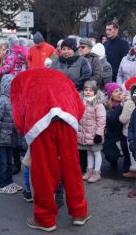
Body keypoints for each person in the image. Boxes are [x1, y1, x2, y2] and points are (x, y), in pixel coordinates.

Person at [11, 68, 90, 232]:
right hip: (67, 121)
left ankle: (45, 219)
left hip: (39, 124)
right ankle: (79, 213)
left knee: (44, 173)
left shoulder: (22, 78)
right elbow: (78, 105)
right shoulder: (60, 77)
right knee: (72, 168)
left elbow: (18, 109)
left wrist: (22, 128)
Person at [0, 74, 22, 194]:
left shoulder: (13, 100)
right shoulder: (2, 101)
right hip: (0, 140)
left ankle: (9, 182)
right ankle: (2, 185)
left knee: (9, 162)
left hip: (10, 139)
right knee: (2, 163)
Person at [78, 81, 106, 183]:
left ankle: (96, 172)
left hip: (94, 134)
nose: (88, 92)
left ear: (95, 92)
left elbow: (101, 120)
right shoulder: (82, 102)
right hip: (85, 134)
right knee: (89, 152)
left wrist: (99, 134)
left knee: (97, 153)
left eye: (90, 90)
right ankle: (89, 171)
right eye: (86, 90)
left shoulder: (98, 104)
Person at [102, 82, 130, 172]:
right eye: (116, 91)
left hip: (124, 135)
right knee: (111, 156)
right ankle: (113, 161)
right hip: (111, 136)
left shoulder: (127, 103)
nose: (119, 93)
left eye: (120, 91)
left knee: (127, 149)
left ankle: (127, 161)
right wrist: (121, 106)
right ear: (111, 95)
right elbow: (111, 119)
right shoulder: (106, 106)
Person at [119, 77, 136, 178]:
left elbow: (123, 119)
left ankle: (134, 170)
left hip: (129, 131)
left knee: (132, 152)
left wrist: (122, 106)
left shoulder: (129, 102)